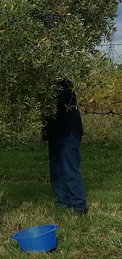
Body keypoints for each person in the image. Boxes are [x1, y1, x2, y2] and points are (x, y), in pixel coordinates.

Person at [43, 79, 87, 216]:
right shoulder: (45, 81)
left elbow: (54, 102)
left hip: (69, 131)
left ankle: (79, 205)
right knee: (56, 169)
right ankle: (63, 201)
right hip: (54, 132)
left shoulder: (63, 84)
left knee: (70, 168)